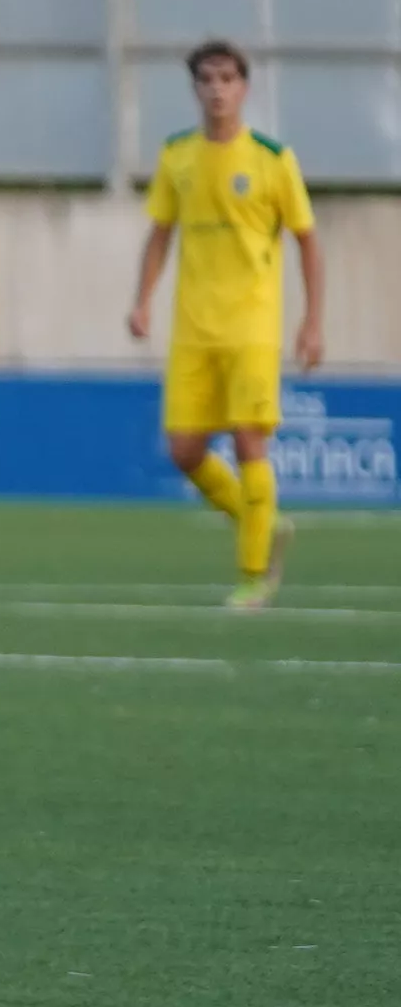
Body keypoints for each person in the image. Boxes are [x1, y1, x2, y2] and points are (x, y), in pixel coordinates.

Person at [127, 41, 324, 608]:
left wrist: (312, 321)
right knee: (184, 451)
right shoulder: (177, 156)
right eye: (207, 80)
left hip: (251, 329)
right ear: (195, 88)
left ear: (244, 88)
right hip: (194, 328)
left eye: (228, 79)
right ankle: (261, 522)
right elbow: (161, 233)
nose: (218, 90)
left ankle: (255, 575)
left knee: (248, 440)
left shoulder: (271, 158)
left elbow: (308, 241)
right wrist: (142, 301)